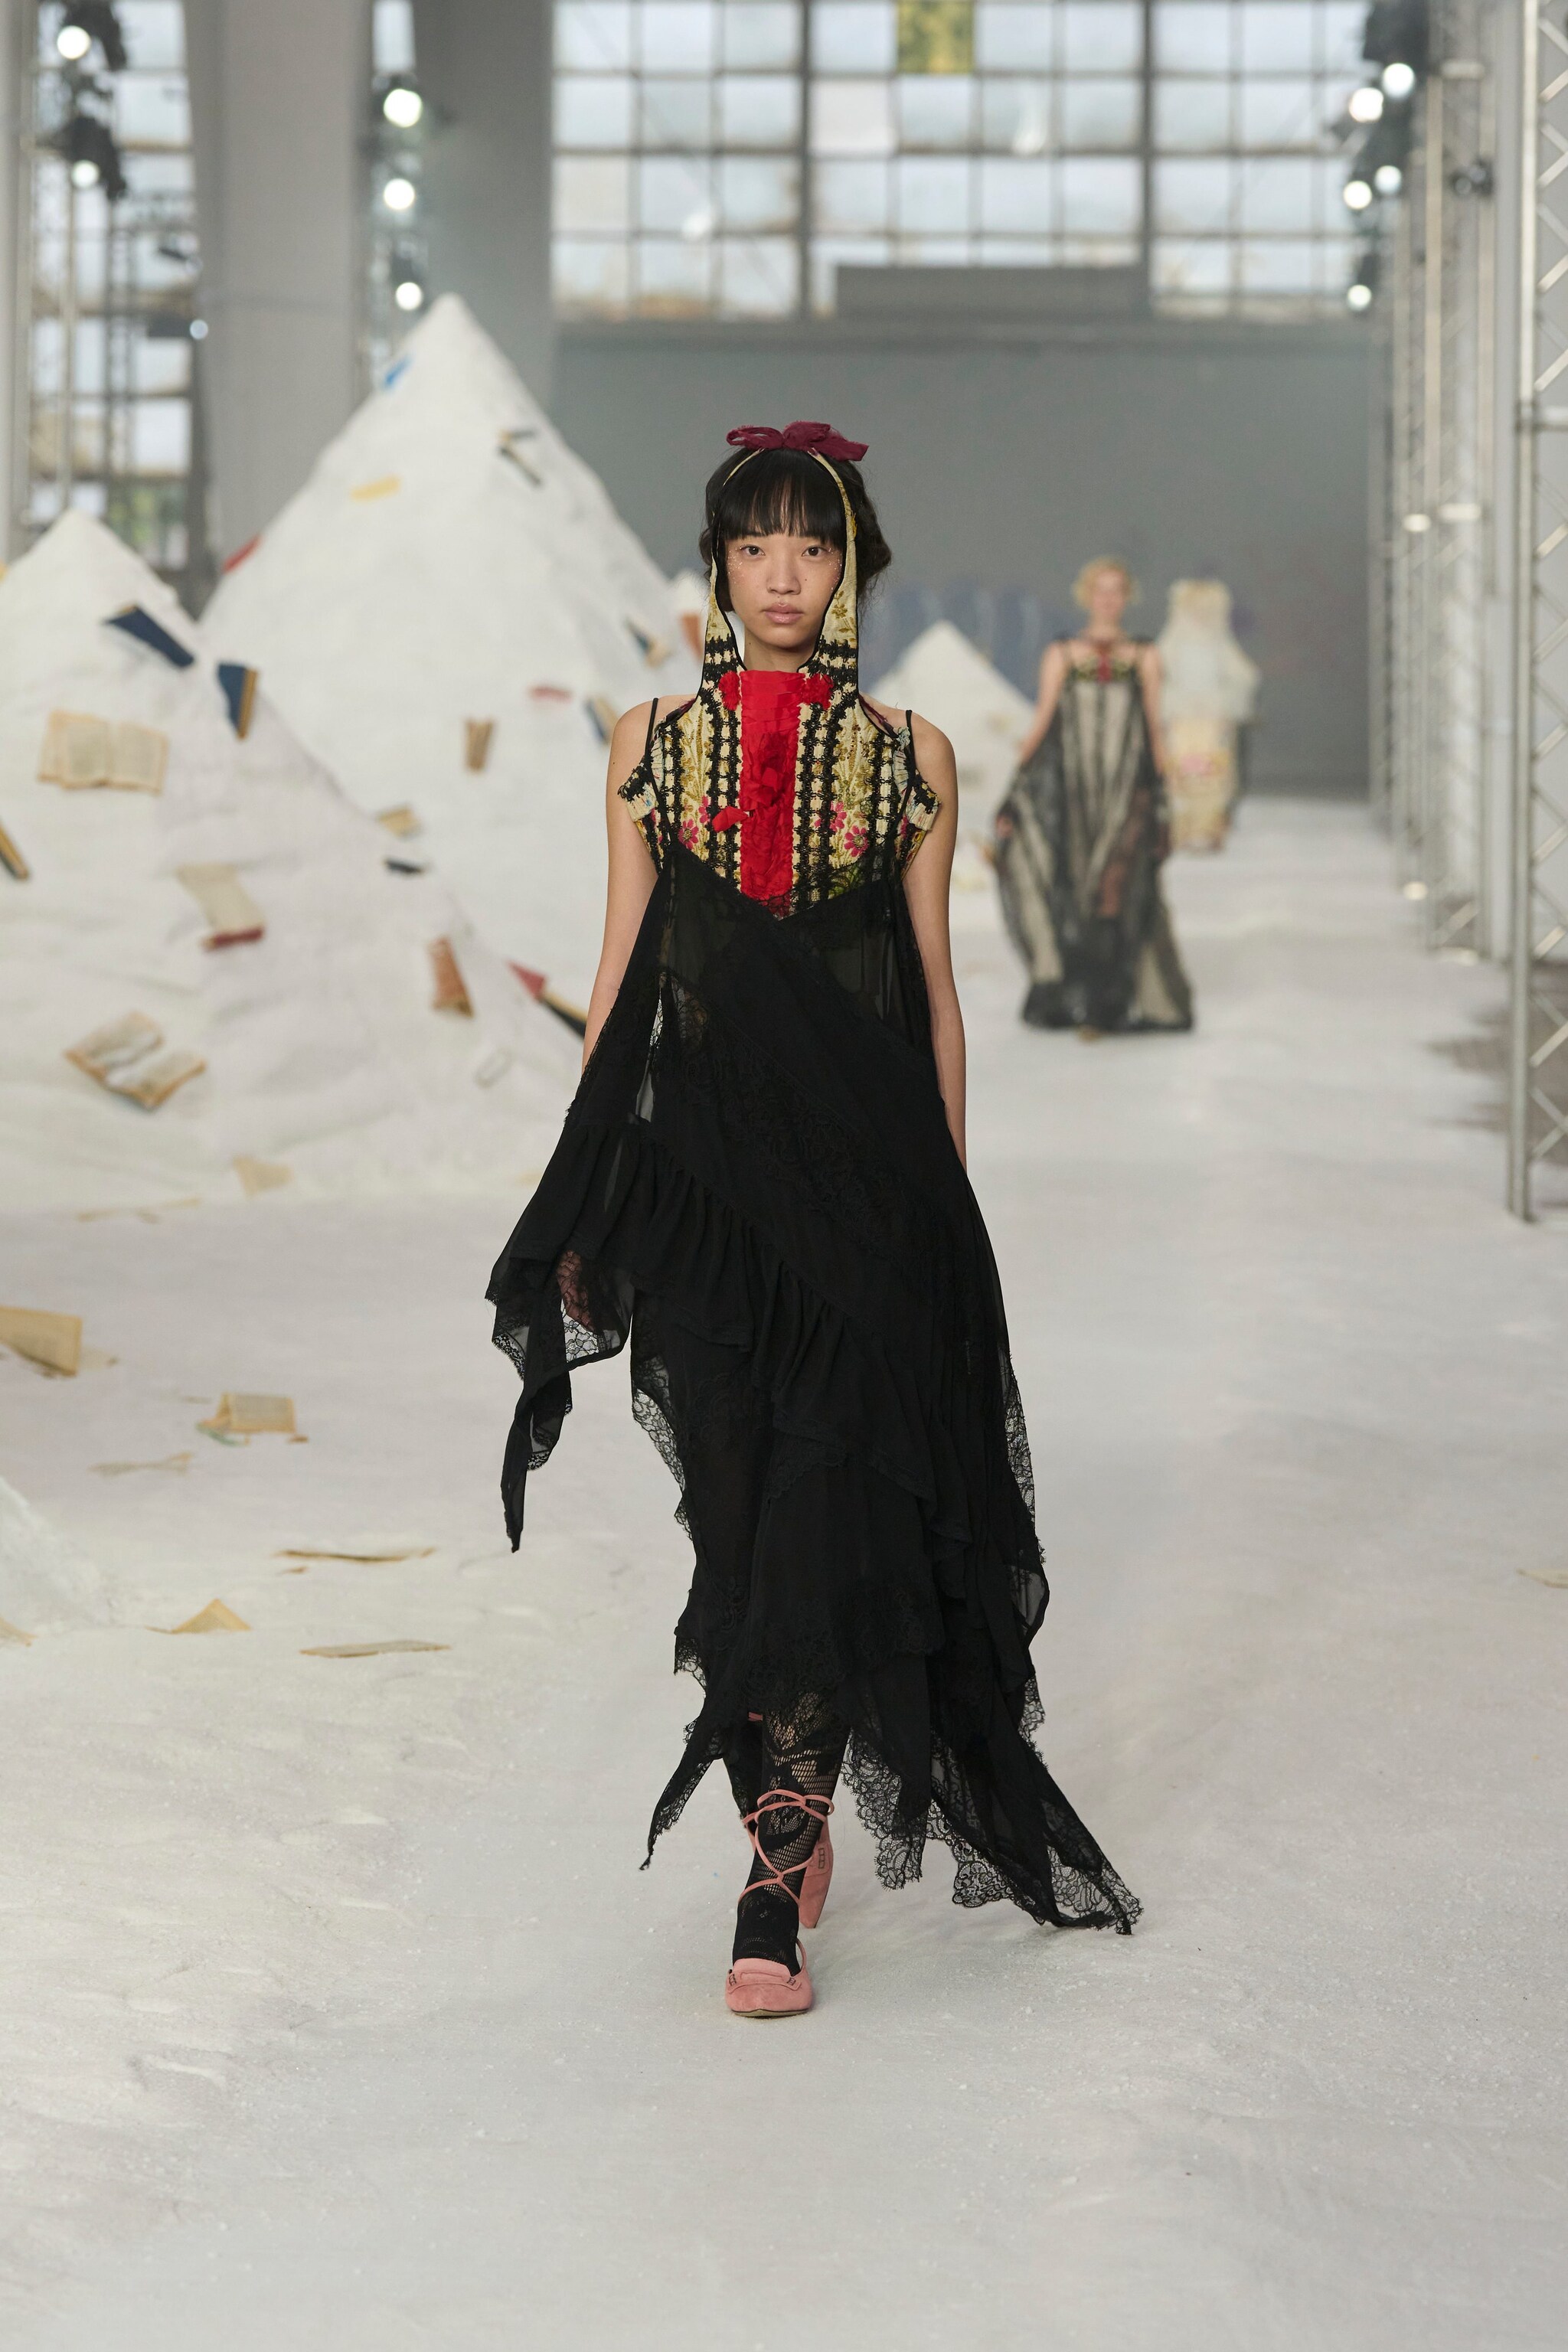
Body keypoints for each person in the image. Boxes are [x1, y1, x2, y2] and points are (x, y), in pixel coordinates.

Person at [487, 424, 1138, 2021]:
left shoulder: (913, 756)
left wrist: (944, 1212)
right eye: (754, 545)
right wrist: (584, 1191)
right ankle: (782, 1813)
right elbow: (620, 980)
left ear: (852, 568)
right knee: (735, 1521)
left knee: (828, 1525)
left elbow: (934, 992)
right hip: (701, 1197)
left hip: (864, 1198)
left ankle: (772, 1877)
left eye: (814, 544)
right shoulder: (649, 746)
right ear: (716, 566)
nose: (783, 574)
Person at [995, 558, 1193, 1036]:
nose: (1108, 599)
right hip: (1074, 795)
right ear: (1087, 595)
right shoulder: (1062, 654)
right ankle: (1080, 996)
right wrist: (1014, 792)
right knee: (1074, 889)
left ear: (1127, 597)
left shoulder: (1145, 654)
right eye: (1100, 590)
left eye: (1117, 590)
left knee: (1115, 887)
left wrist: (1164, 798)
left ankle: (1111, 1004)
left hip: (1128, 791)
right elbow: (1042, 723)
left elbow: (1154, 728)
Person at [1156, 577, 1259, 853]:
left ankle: (1208, 827)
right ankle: (1182, 827)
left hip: (1212, 720)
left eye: (1206, 610)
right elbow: (1158, 676)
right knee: (1180, 773)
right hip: (1180, 720)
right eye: (1194, 609)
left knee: (1213, 774)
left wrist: (1226, 703)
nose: (1199, 616)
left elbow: (1243, 676)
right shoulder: (1173, 643)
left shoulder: (1220, 644)